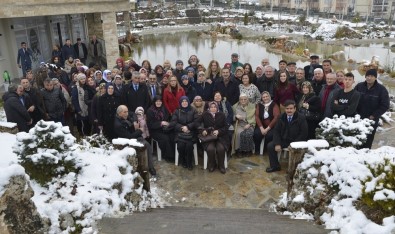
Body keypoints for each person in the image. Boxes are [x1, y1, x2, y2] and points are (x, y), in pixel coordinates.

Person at [266, 100, 308, 173]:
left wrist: (293, 144)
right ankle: (275, 166)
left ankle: (293, 169)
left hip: (296, 141)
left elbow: (304, 133)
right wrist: (277, 143)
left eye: (291, 108)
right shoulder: (281, 117)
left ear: (295, 109)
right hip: (284, 140)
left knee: (296, 150)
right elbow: (276, 131)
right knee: (270, 146)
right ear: (285, 109)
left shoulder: (301, 118)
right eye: (287, 108)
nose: (289, 110)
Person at [114, 105, 156, 176]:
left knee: (147, 145)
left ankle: (150, 166)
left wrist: (134, 122)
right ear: (119, 113)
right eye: (125, 112)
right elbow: (128, 137)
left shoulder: (124, 116)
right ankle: (149, 168)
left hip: (134, 136)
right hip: (128, 141)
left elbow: (133, 114)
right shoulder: (118, 124)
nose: (127, 113)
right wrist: (139, 130)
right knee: (146, 145)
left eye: (127, 111)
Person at [355, 69, 390, 149]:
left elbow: (385, 105)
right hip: (358, 118)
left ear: (375, 78)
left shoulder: (381, 89)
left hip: (372, 119)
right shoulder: (359, 86)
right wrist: (355, 113)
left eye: (371, 76)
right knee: (357, 139)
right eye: (367, 76)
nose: (369, 78)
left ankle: (366, 155)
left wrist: (374, 115)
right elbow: (353, 99)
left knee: (368, 140)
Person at [200, 101, 230, 174]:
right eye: (211, 107)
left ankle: (221, 165)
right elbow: (198, 124)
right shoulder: (204, 114)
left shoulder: (222, 115)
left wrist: (219, 131)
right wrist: (203, 130)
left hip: (220, 137)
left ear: (217, 108)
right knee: (210, 149)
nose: (213, 108)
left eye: (215, 107)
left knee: (221, 148)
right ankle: (212, 164)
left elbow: (226, 127)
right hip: (209, 137)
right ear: (209, 108)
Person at [170, 96, 199, 170]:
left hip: (191, 132)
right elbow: (173, 122)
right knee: (181, 146)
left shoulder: (193, 110)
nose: (184, 103)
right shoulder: (177, 111)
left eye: (186, 101)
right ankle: (183, 161)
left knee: (189, 146)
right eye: (183, 101)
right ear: (180, 103)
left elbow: (197, 122)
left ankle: (189, 162)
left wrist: (188, 127)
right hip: (180, 133)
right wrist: (182, 128)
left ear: (188, 102)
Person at [147, 95, 175, 162]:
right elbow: (150, 125)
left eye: (160, 101)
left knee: (172, 136)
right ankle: (168, 156)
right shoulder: (150, 111)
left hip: (164, 129)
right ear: (154, 102)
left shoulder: (164, 108)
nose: (158, 103)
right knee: (165, 138)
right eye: (157, 101)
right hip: (155, 131)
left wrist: (168, 123)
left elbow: (168, 118)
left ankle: (175, 154)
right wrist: (161, 123)